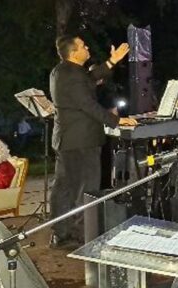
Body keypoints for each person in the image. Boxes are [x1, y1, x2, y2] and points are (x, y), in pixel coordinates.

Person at [49, 35, 137, 248]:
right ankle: (81, 236)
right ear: (73, 52)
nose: (87, 47)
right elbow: (88, 105)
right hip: (80, 141)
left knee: (65, 187)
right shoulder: (71, 75)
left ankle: (62, 233)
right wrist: (117, 120)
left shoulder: (66, 71)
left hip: (70, 139)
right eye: (83, 46)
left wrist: (111, 62)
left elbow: (91, 77)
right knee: (84, 189)